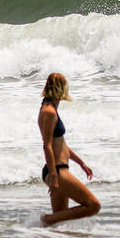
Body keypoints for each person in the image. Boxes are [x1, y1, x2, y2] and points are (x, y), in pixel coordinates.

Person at [38, 72, 100, 226]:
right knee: (93, 206)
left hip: (58, 169)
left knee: (57, 225)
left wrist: (81, 163)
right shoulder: (49, 112)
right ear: (61, 89)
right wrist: (53, 175)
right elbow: (47, 145)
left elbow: (61, 144)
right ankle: (45, 219)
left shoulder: (51, 109)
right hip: (57, 171)